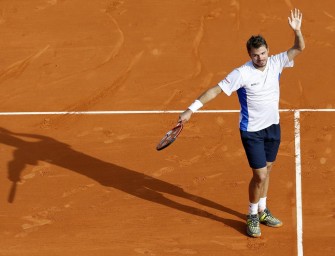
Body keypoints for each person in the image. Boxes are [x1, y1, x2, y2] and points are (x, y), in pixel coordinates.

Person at [178, 8, 305, 238]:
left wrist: (297, 31)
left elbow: (299, 48)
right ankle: (252, 215)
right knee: (260, 176)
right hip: (252, 131)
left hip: (272, 127)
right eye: (256, 55)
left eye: (264, 53)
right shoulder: (242, 74)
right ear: (249, 55)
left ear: (268, 51)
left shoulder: (276, 63)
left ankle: (263, 210)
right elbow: (216, 90)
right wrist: (191, 109)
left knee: (268, 169)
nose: (261, 58)